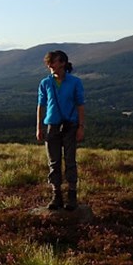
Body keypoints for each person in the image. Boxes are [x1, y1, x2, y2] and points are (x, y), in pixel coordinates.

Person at [36, 50, 85, 210]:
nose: (50, 65)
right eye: (48, 62)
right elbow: (41, 105)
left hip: (71, 126)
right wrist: (39, 127)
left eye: (53, 62)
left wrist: (81, 127)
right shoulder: (45, 83)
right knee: (54, 162)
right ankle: (56, 195)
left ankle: (72, 196)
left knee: (70, 161)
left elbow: (80, 105)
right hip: (52, 126)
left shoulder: (75, 82)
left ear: (63, 63)